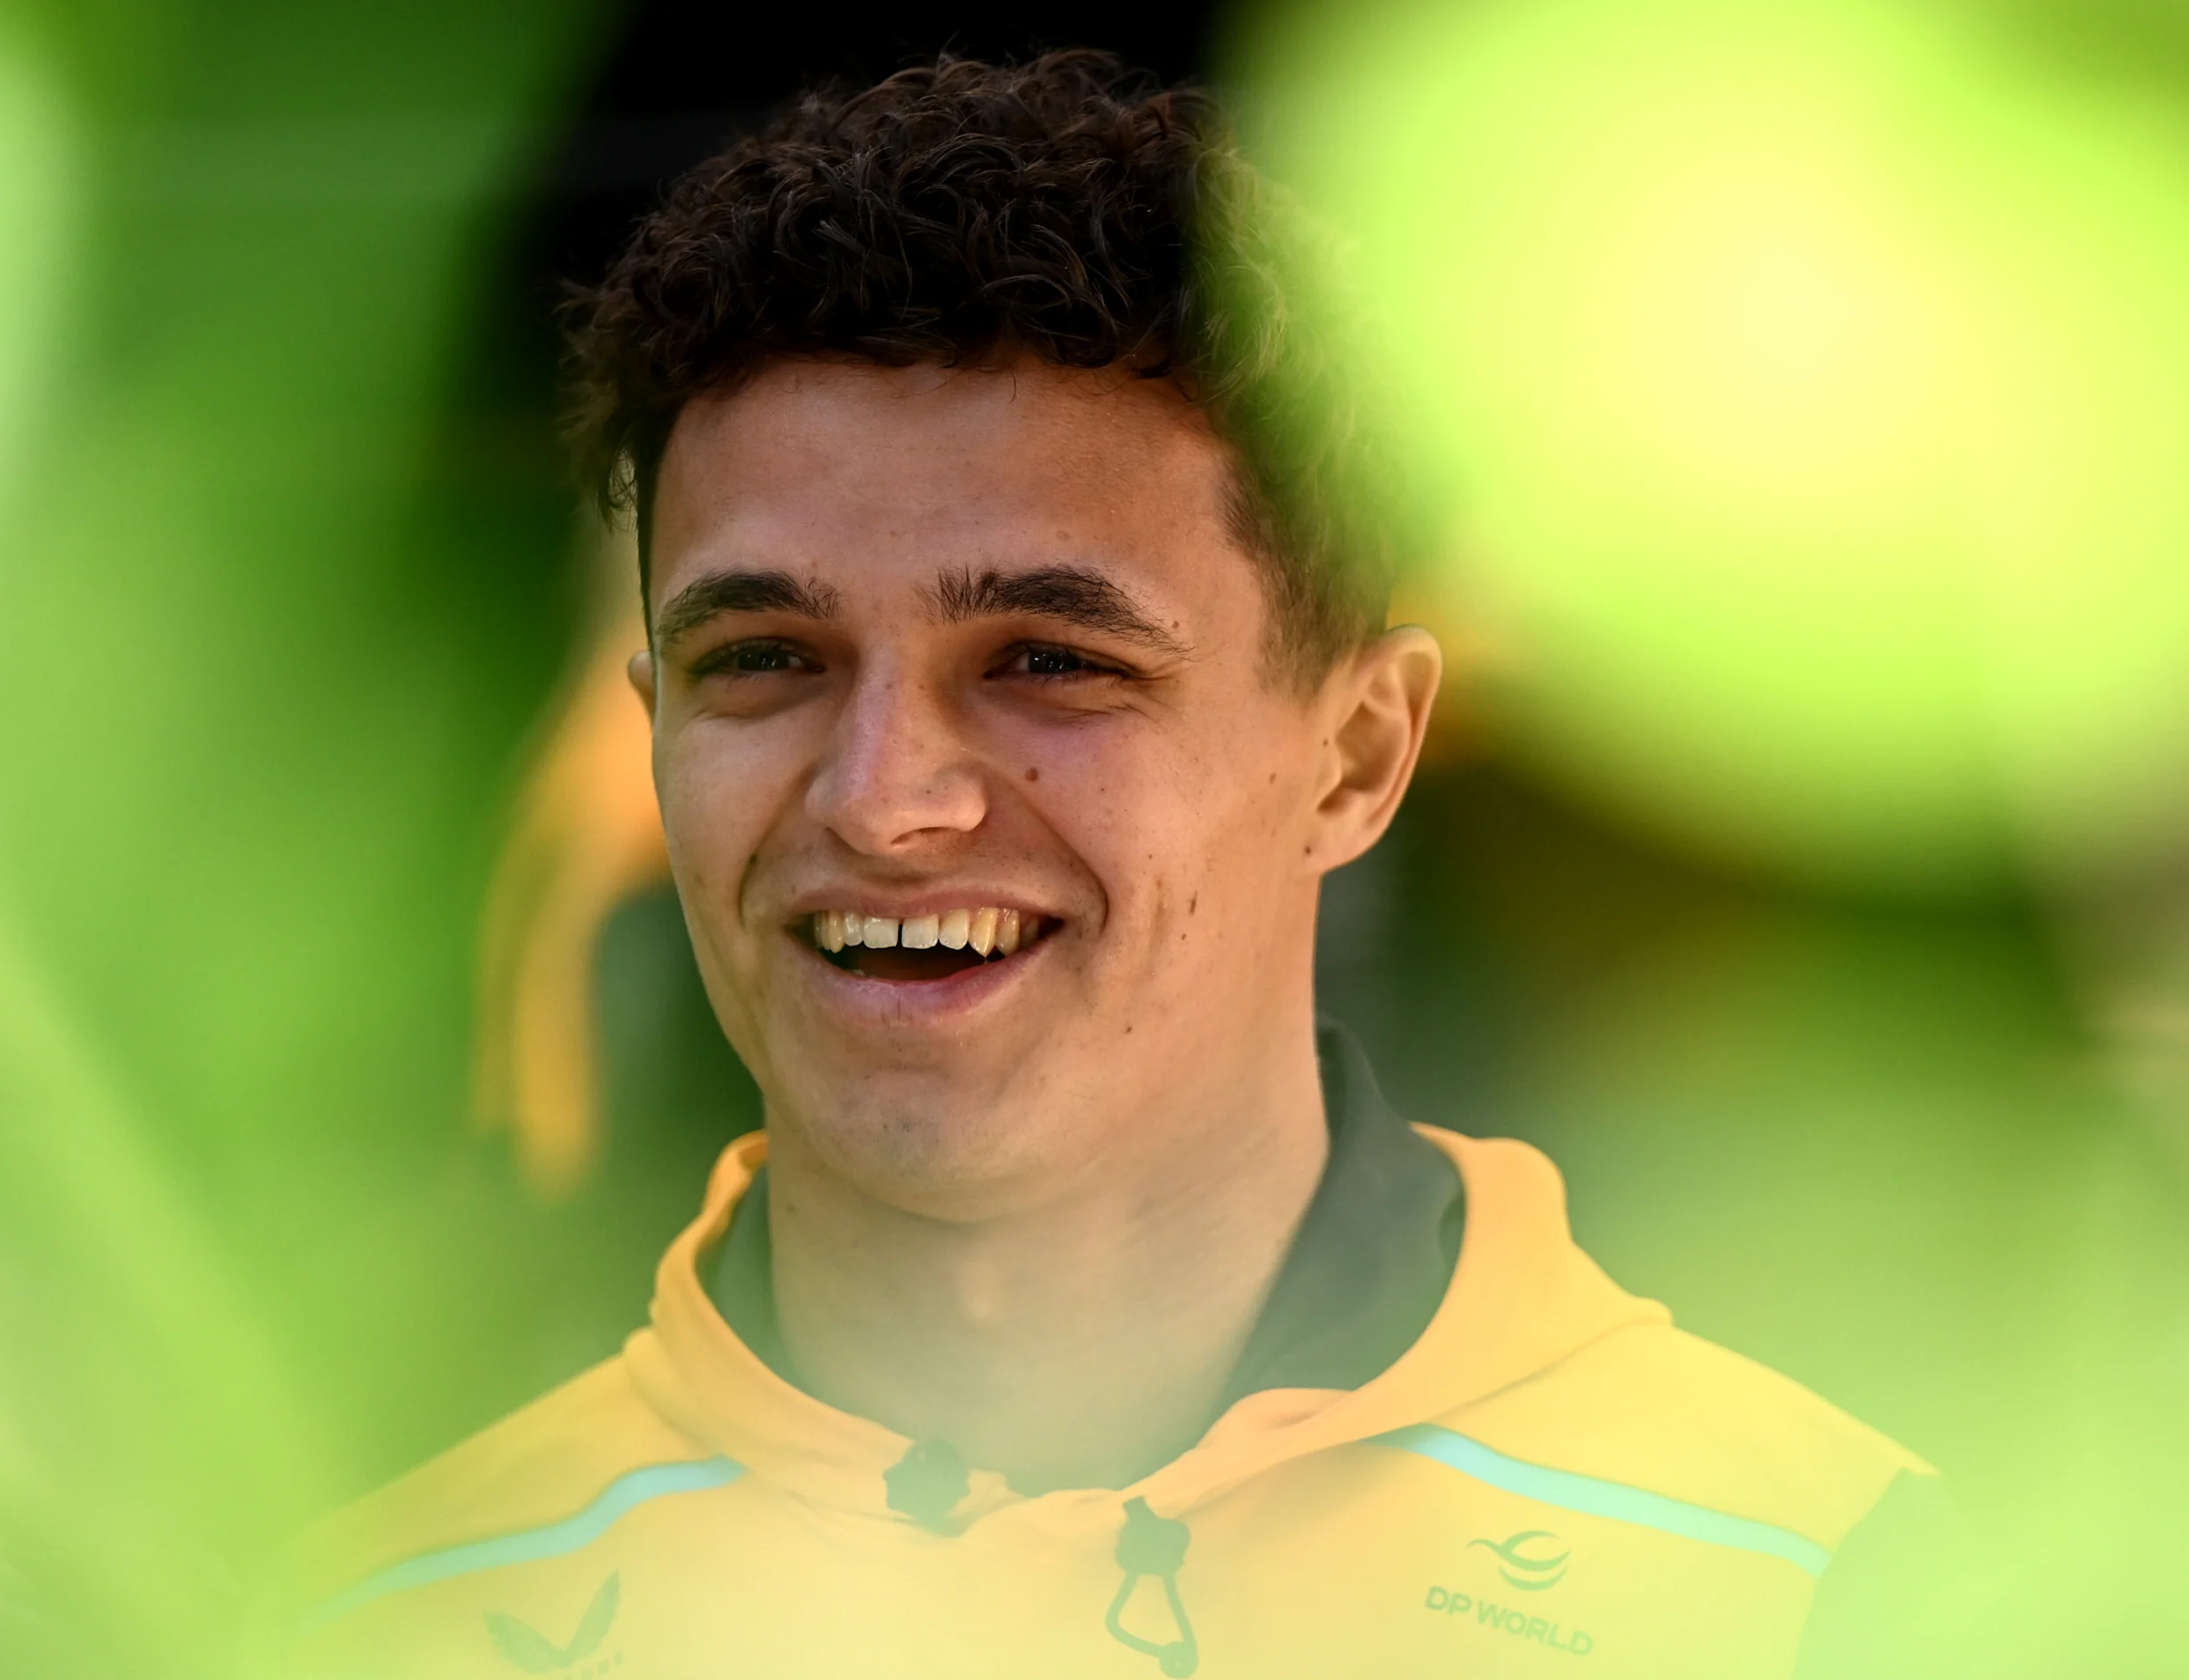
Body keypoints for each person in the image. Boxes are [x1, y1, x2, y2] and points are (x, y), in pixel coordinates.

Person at [288, 49, 1949, 1680]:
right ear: (652, 723)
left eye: (1049, 662)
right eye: (767, 661)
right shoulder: (382, 1627)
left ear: (1359, 754)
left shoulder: (1819, 1592)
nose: (882, 802)